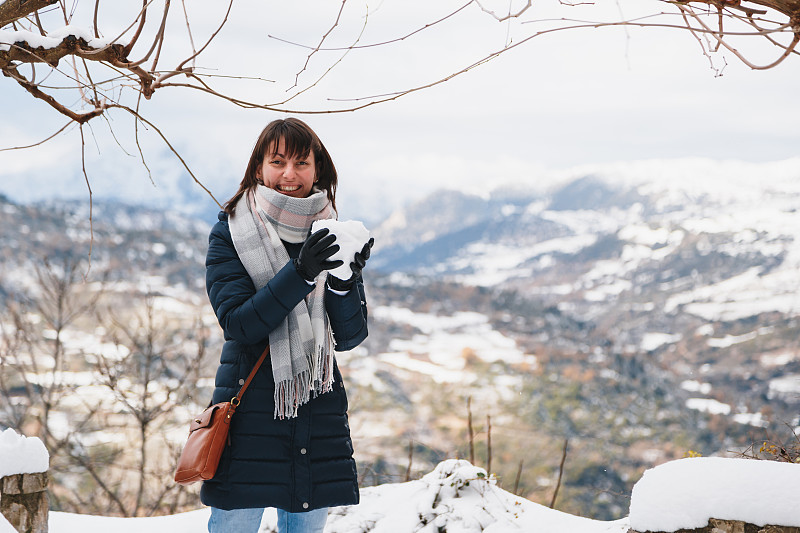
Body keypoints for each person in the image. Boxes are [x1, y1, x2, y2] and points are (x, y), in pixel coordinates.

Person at [201, 117, 373, 533]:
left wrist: (345, 281)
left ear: (319, 170)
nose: (289, 175)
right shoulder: (231, 231)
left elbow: (349, 336)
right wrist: (302, 273)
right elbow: (240, 324)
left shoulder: (331, 231)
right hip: (249, 421)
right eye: (277, 162)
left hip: (315, 420)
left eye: (301, 163)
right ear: (258, 167)